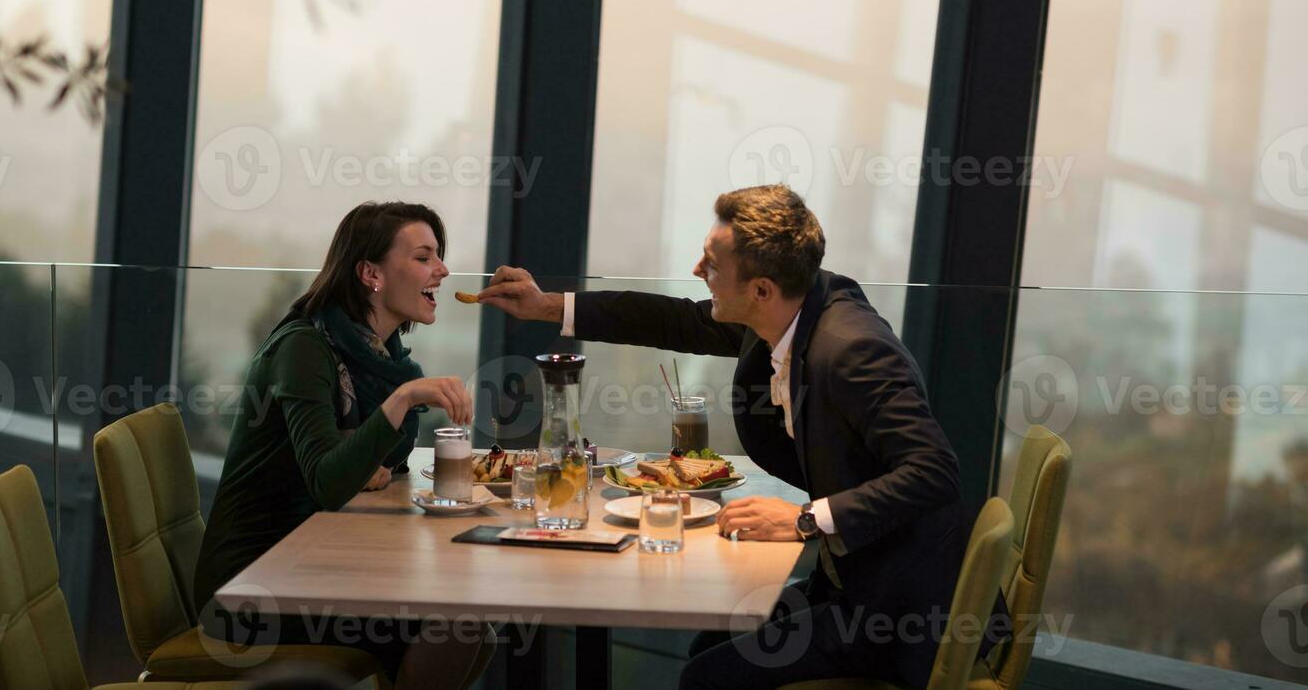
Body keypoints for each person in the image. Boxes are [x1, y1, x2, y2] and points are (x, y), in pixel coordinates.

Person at [476, 184, 1007, 689]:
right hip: (859, 579)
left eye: (712, 264)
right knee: (710, 642)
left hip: (903, 611)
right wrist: (549, 306)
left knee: (707, 679)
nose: (697, 270)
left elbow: (934, 470)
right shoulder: (792, 307)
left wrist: (803, 520)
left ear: (759, 290)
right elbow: (675, 321)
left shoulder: (852, 349)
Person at [194, 201, 493, 690]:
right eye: (423, 257)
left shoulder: (378, 353)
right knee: (459, 626)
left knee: (475, 630)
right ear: (370, 273)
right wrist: (400, 401)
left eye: (439, 257)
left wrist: (361, 451)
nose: (441, 270)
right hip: (253, 588)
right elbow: (331, 482)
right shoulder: (305, 348)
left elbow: (376, 462)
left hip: (313, 564)